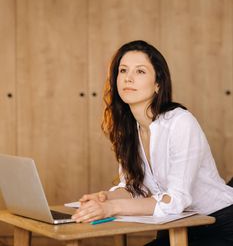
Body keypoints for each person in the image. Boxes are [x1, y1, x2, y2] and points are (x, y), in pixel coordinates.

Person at [72, 40, 233, 245]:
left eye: (140, 72)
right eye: (123, 70)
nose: (128, 78)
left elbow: (175, 200)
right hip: (174, 226)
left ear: (158, 84)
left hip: (219, 224)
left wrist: (111, 208)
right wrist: (103, 198)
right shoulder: (128, 130)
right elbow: (135, 188)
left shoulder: (180, 122)